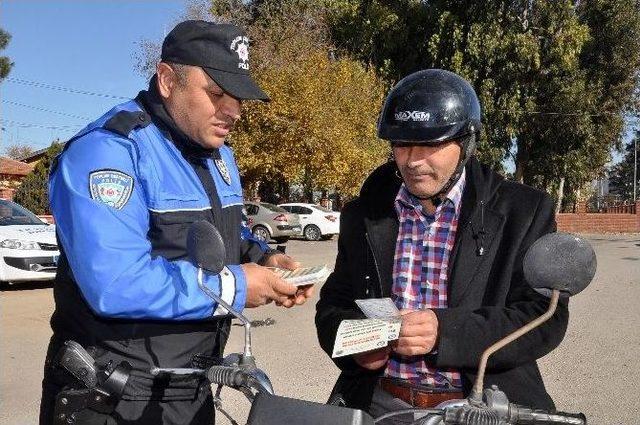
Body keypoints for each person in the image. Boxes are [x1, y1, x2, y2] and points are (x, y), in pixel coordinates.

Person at [40, 20, 312, 425]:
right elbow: (115, 283)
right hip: (114, 397)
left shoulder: (218, 155)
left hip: (189, 387)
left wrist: (264, 258)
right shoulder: (109, 152)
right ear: (167, 80)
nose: (234, 110)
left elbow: (225, 232)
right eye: (217, 93)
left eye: (237, 97)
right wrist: (238, 285)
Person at [315, 69, 568, 422]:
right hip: (381, 404)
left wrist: (444, 333)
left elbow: (544, 316)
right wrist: (355, 345)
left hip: (479, 408)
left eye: (431, 144)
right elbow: (333, 306)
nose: (413, 161)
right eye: (402, 145)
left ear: (466, 142)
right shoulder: (364, 214)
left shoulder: (523, 212)